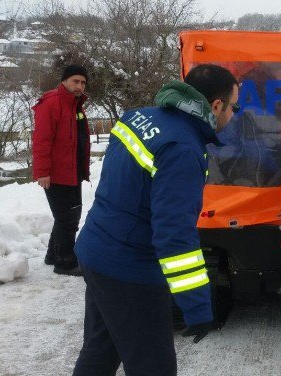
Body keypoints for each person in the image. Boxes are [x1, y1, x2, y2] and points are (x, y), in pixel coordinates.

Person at [72, 64, 239, 375]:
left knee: (101, 350)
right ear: (216, 106)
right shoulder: (182, 148)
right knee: (154, 367)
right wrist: (197, 305)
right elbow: (174, 235)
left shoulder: (140, 116)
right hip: (130, 270)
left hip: (98, 250)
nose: (233, 115)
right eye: (233, 107)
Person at [32, 64, 90, 276]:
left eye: (83, 82)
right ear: (64, 81)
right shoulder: (52, 103)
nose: (80, 86)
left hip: (73, 170)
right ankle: (65, 262)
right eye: (75, 81)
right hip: (57, 173)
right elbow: (41, 140)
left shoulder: (75, 104)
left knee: (65, 215)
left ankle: (52, 255)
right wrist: (43, 172)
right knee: (69, 218)